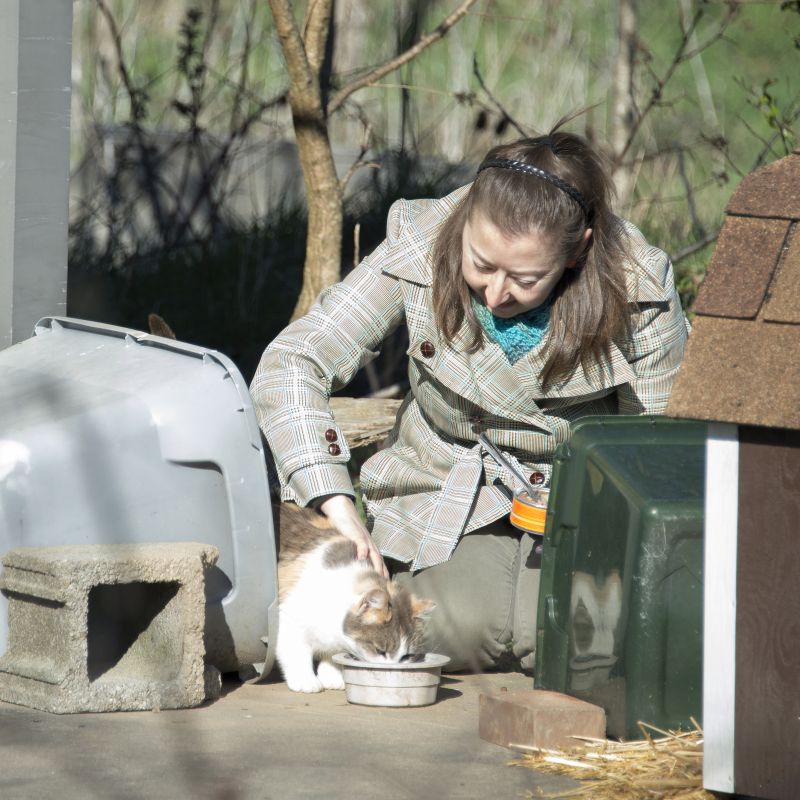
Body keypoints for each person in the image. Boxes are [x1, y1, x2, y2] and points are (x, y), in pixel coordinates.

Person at [250, 126, 689, 673]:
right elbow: (293, 361)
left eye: (525, 278)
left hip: (575, 511)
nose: (496, 292)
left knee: (584, 635)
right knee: (430, 626)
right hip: (437, 497)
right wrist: (332, 501)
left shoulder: (638, 286)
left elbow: (662, 441)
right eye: (481, 264)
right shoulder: (421, 238)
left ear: (576, 252)